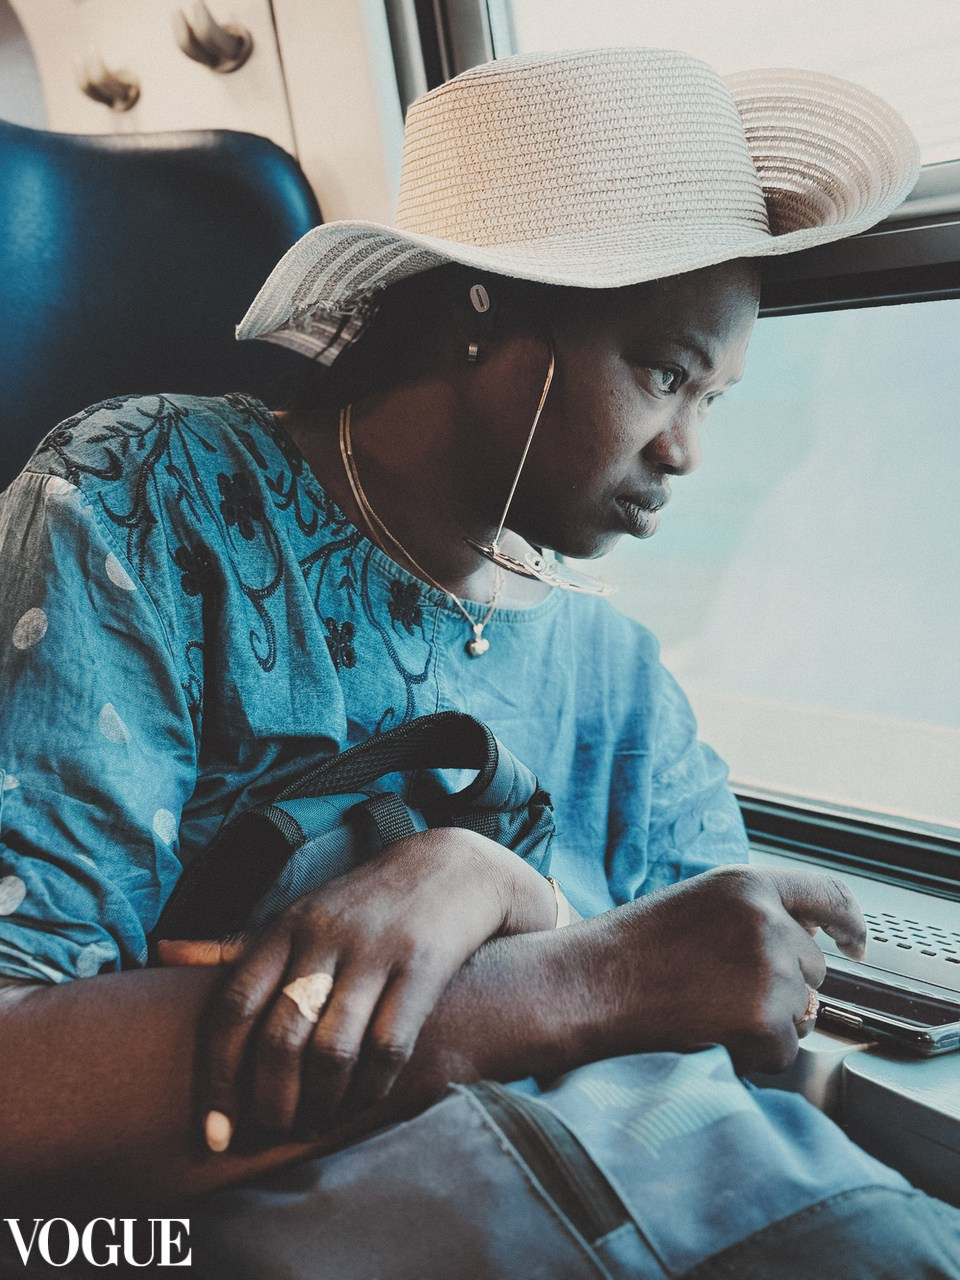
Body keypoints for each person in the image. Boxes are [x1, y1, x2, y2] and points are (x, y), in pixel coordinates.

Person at [1, 46, 957, 1275]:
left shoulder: (608, 668)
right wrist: (563, 982)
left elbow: (730, 977)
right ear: (484, 313)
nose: (687, 453)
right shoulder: (140, 506)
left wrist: (509, 892)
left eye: (714, 397)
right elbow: (21, 1090)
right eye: (665, 373)